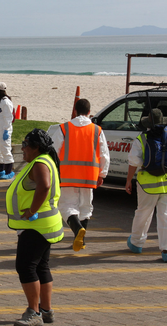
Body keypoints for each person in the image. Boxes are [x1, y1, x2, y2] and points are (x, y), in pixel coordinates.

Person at [5, 129, 63, 326]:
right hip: (45, 225)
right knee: (41, 266)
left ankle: (34, 312)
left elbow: (44, 186)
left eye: (25, 145)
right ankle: (45, 310)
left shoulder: (40, 163)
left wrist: (31, 210)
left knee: (26, 267)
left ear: (36, 147)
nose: (22, 149)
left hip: (36, 226)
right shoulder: (46, 160)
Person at [125, 109, 167, 263]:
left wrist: (128, 180)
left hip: (148, 183)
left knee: (143, 213)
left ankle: (136, 243)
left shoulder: (142, 139)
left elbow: (134, 161)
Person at [50, 99, 109, 252]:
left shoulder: (64, 128)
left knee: (66, 206)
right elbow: (104, 154)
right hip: (89, 176)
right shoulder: (97, 130)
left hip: (68, 175)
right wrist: (102, 173)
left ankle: (77, 231)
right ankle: (81, 241)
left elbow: (54, 151)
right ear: (89, 112)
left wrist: (52, 171)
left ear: (75, 111)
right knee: (86, 207)